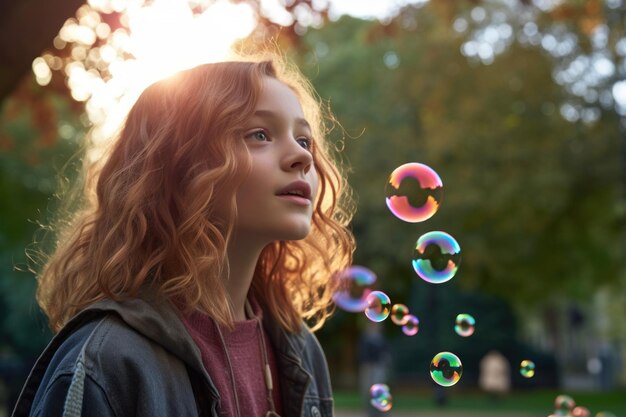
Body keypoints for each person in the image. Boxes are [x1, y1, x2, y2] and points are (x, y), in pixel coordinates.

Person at [12, 54, 355, 417]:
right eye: (259, 134)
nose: (302, 158)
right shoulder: (108, 360)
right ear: (179, 165)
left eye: (304, 140)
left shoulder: (300, 350)